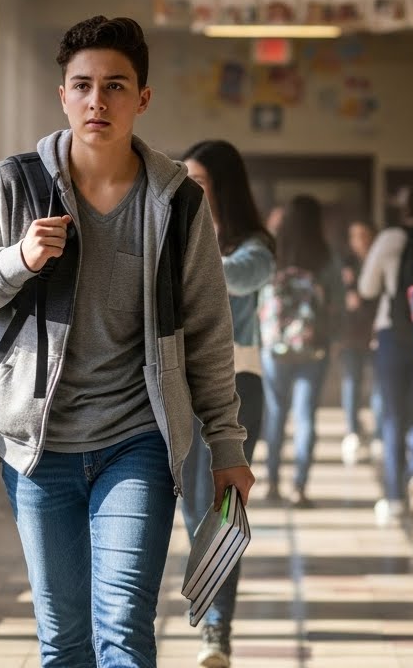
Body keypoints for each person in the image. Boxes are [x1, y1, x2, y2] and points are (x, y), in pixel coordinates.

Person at [0, 16, 254, 667]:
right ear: (63, 95)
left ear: (142, 98)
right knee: (63, 640)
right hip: (38, 445)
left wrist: (226, 446)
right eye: (83, 85)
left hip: (138, 441)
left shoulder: (177, 202)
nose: (97, 101)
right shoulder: (15, 184)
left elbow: (210, 334)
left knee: (124, 628)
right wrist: (15, 260)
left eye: (115, 85)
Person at [180, 139, 275, 668]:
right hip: (180, 389)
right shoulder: (172, 232)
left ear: (223, 187)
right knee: (192, 510)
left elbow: (240, 275)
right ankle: (204, 614)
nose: (187, 190)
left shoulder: (253, 245)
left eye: (199, 182)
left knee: (220, 511)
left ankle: (217, 631)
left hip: (238, 388)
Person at [359, 183, 413, 525]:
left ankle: (394, 496)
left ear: (405, 208)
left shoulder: (391, 239)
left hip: (391, 334)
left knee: (393, 416)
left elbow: (367, 288)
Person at [260, 195, 341, 509]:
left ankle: (272, 484)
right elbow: (336, 303)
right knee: (306, 417)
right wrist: (332, 340)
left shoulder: (272, 252)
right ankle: (300, 488)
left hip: (274, 346)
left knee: (276, 415)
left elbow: (257, 300)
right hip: (313, 346)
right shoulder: (324, 256)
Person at [338, 219, 378, 467]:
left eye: (365, 234)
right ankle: (353, 431)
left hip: (375, 333)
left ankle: (377, 433)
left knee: (377, 386)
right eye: (356, 236)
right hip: (350, 335)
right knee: (352, 383)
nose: (361, 241)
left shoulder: (377, 261)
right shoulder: (344, 264)